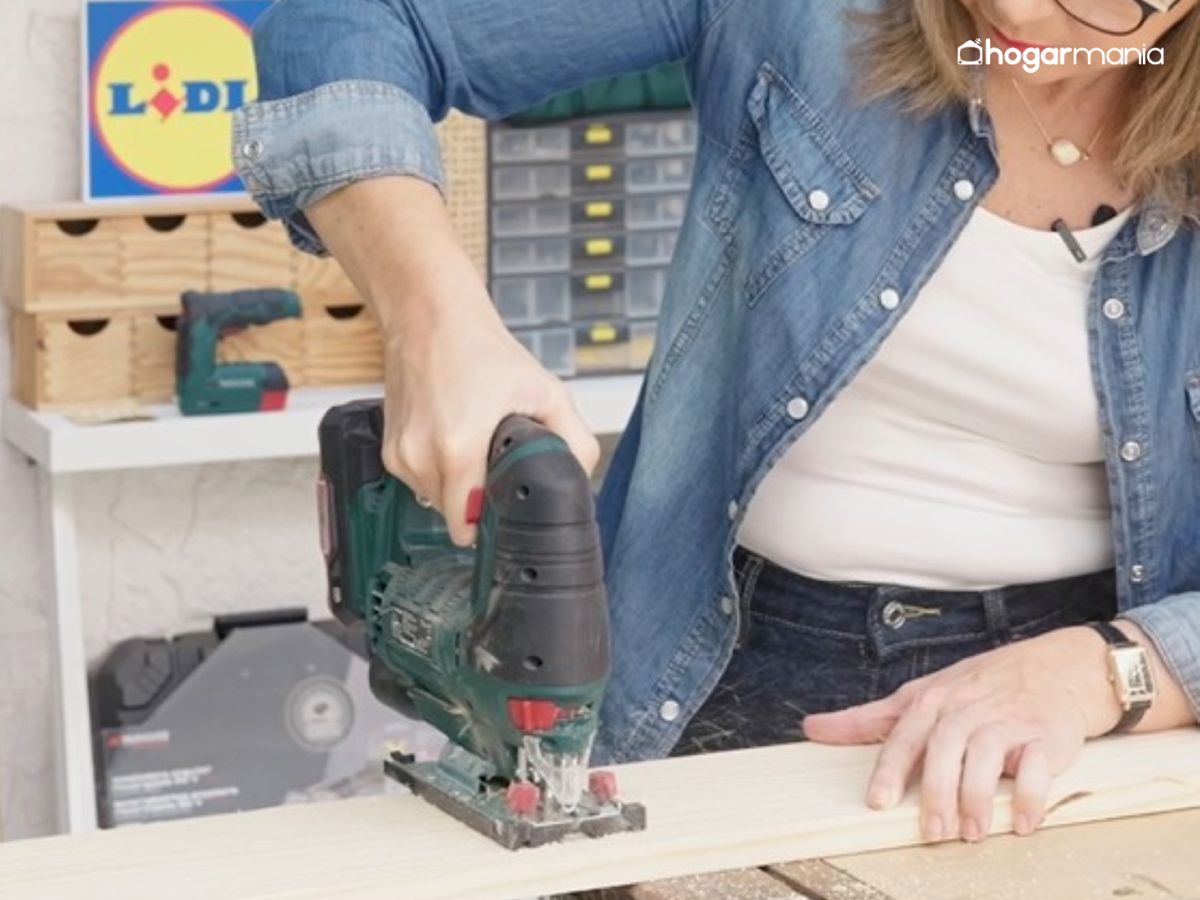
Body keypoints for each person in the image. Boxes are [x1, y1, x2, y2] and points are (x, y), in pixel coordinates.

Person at [233, 0, 1200, 844]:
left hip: (1096, 707)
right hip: (723, 654)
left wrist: (1114, 671)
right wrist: (435, 327)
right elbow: (347, 22)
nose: (1020, 14)